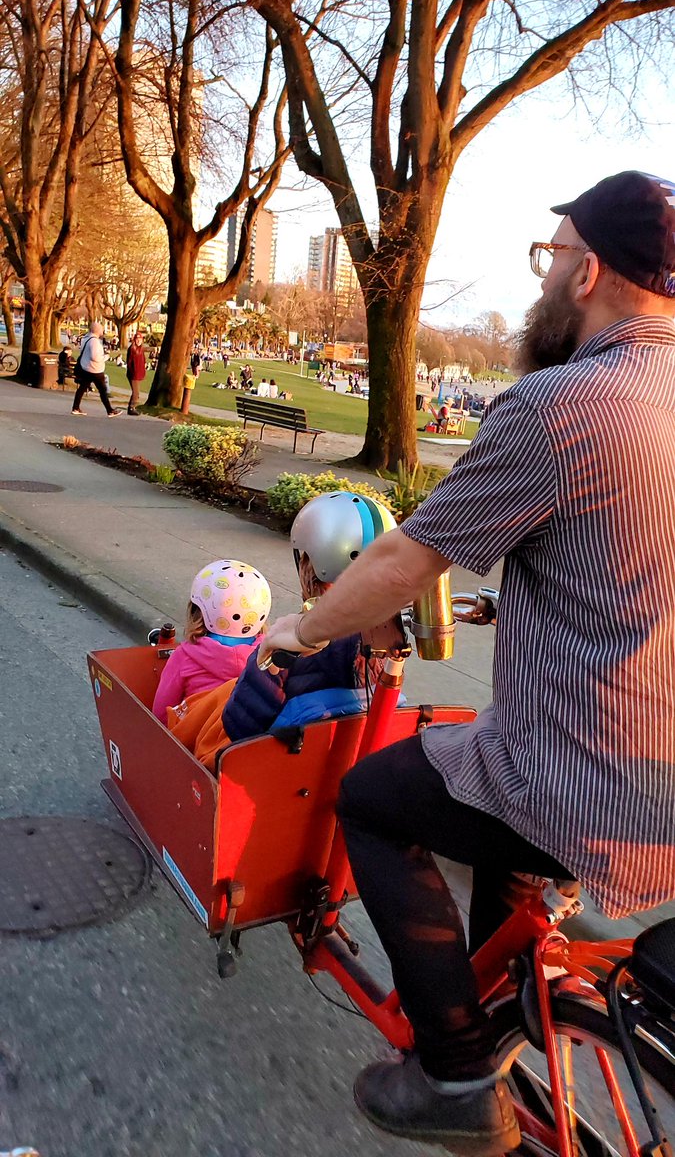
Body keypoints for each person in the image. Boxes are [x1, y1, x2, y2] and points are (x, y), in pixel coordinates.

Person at [257, 171, 675, 1154]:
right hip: (663, 775)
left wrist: (303, 633)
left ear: (589, 273)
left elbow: (404, 558)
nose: (548, 274)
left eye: (553, 253)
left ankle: (450, 1068)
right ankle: (501, 1006)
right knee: (497, 819)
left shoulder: (567, 405)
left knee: (373, 797)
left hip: (588, 772)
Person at [223, 492, 396, 743]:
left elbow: (239, 727)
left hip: (284, 772)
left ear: (313, 565)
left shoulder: (291, 639)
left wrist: (266, 651)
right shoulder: (389, 643)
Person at [152, 560, 272, 726]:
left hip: (195, 740)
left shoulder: (185, 655)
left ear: (198, 613)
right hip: (244, 742)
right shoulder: (270, 656)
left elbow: (160, 715)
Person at [71, 321, 121, 416]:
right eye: (101, 330)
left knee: (82, 388)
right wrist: (106, 357)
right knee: (103, 390)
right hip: (95, 370)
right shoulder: (94, 341)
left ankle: (75, 407)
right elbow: (95, 357)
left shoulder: (86, 338)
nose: (103, 331)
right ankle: (110, 410)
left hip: (86, 367)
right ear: (97, 330)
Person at [126, 332, 146, 416]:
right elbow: (130, 362)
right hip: (133, 374)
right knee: (136, 392)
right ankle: (131, 407)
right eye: (137, 339)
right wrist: (132, 372)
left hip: (138, 373)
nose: (138, 341)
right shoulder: (132, 349)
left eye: (140, 339)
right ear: (134, 340)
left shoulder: (141, 349)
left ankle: (132, 407)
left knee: (136, 392)